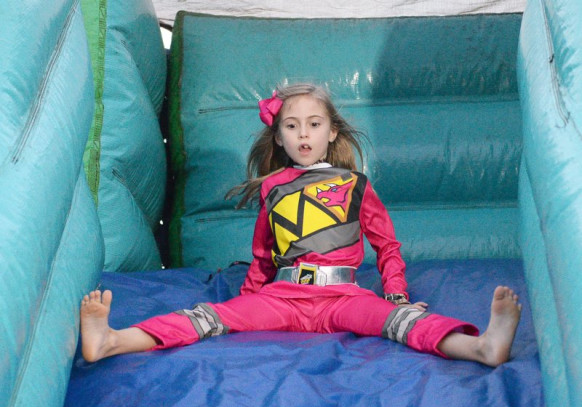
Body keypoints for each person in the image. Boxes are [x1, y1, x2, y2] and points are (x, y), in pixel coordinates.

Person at [81, 83, 521, 367]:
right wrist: (247, 303)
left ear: (332, 132)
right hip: (285, 297)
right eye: (292, 126)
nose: (304, 134)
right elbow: (262, 256)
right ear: (279, 136)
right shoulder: (273, 188)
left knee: (402, 323)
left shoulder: (354, 184)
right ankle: (112, 341)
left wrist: (397, 295)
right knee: (207, 318)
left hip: (343, 297)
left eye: (314, 124)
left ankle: (481, 346)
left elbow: (387, 246)